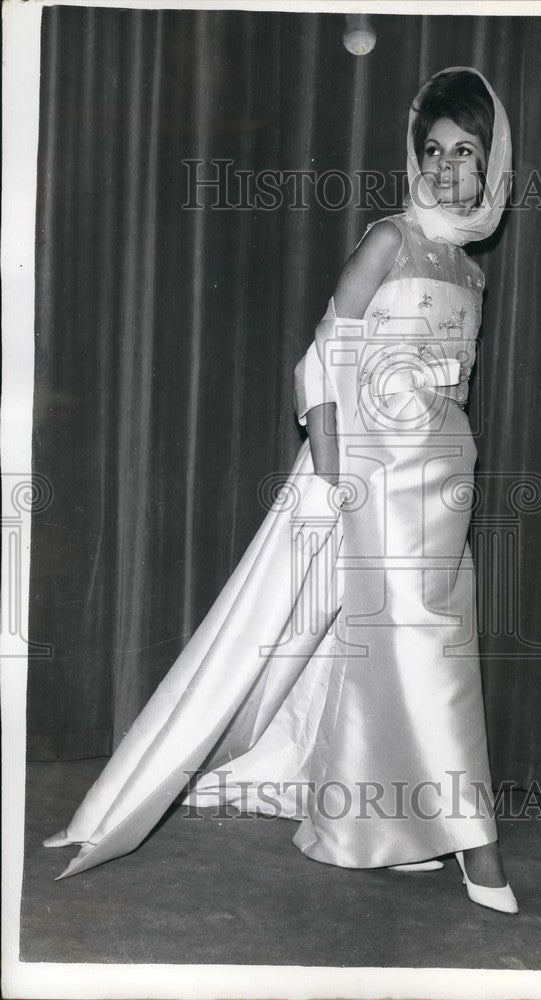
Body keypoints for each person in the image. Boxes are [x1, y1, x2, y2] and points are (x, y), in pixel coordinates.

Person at [44, 66, 516, 915]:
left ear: (492, 165)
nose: (447, 169)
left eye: (466, 153)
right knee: (419, 645)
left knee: (391, 646)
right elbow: (323, 357)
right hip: (368, 472)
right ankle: (475, 842)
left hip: (445, 475)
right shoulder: (390, 239)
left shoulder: (472, 271)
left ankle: (397, 824)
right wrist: (331, 472)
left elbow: (453, 383)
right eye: (434, 151)